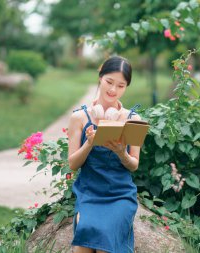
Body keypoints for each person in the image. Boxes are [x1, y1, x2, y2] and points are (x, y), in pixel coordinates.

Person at [67, 56, 140, 253]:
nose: (113, 90)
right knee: (84, 241)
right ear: (100, 77)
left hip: (120, 194)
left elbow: (134, 165)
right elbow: (73, 164)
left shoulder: (133, 119)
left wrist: (120, 152)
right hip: (90, 193)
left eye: (121, 85)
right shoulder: (79, 117)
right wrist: (89, 144)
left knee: (105, 239)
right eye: (109, 82)